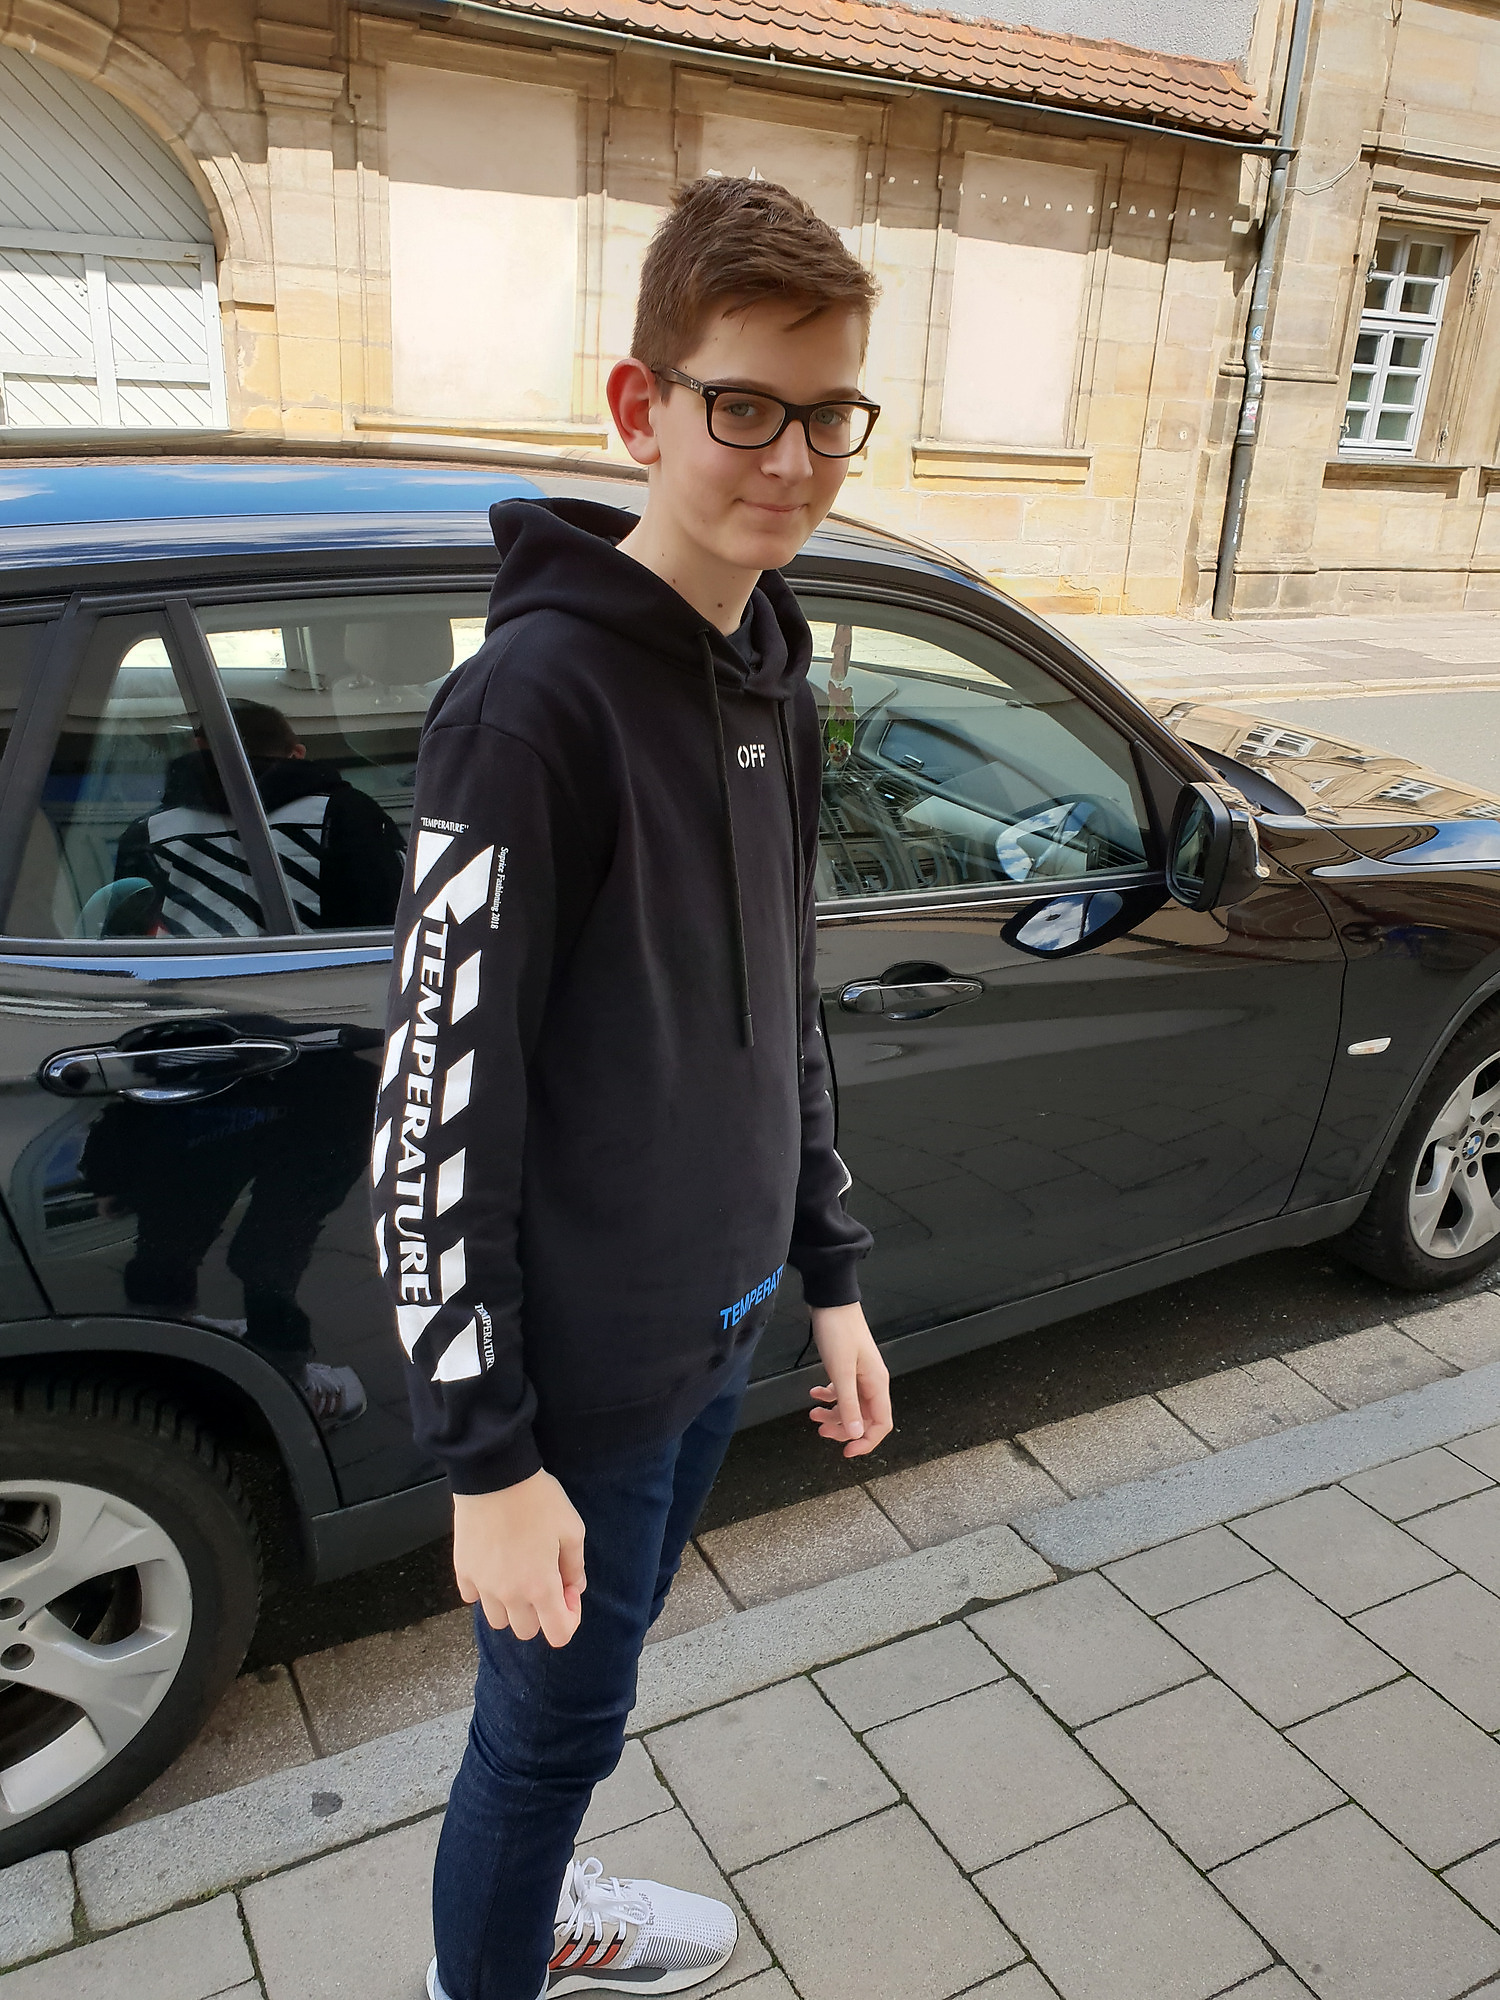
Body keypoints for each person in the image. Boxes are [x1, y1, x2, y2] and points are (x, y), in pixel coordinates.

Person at [373, 176, 893, 2000]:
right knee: (543, 1739)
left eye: (829, 413)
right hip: (578, 1388)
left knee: (581, 1709)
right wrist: (490, 1461)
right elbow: (433, 1111)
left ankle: (542, 1896)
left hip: (715, 1338)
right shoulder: (529, 711)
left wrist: (827, 1276)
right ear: (639, 408)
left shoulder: (773, 673)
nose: (793, 459)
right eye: (743, 405)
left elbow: (780, 1003)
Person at [114, 696, 405, 937]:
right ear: (297, 753)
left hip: (192, 984)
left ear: (199, 749)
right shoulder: (349, 813)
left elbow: (125, 937)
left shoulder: (148, 832)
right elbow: (396, 919)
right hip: (319, 981)